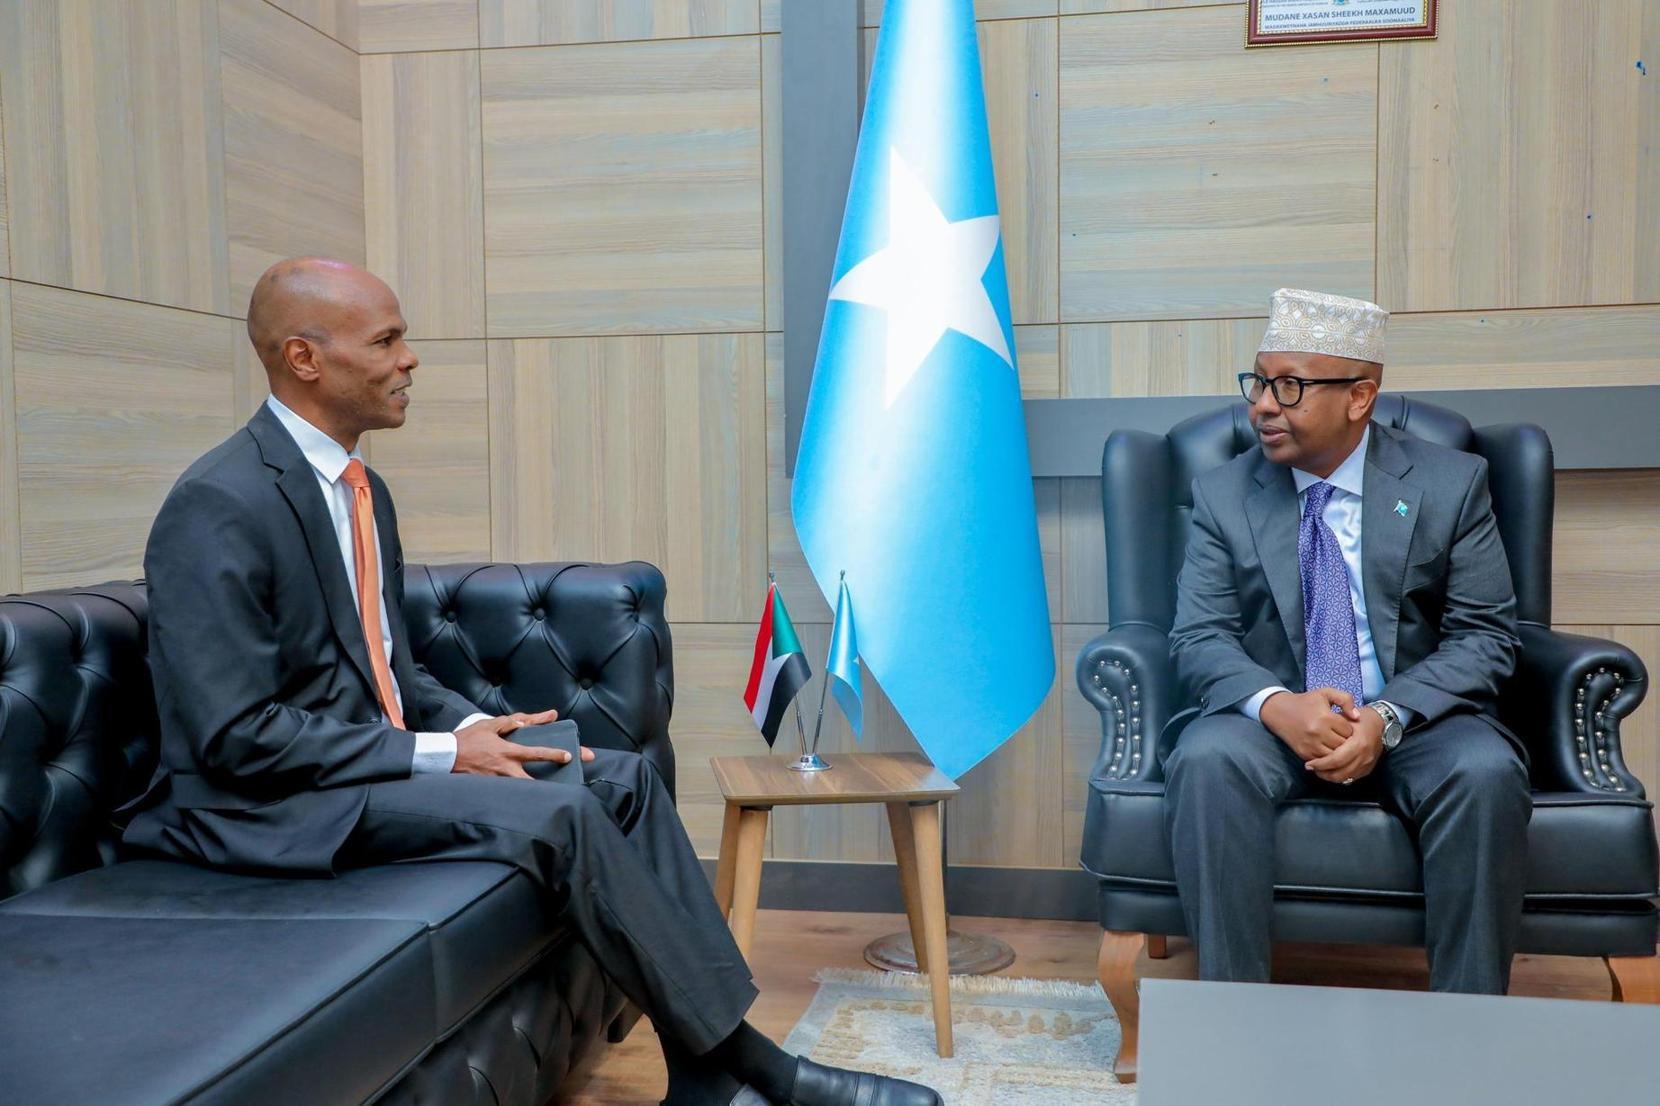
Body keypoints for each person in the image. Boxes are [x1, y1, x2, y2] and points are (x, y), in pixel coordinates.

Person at [123, 257, 941, 1106]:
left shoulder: (363, 492)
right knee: (561, 811)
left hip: (361, 768)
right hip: (269, 805)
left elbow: (391, 672)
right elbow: (234, 735)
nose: (409, 359)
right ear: (305, 358)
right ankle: (766, 1072)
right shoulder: (219, 503)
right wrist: (446, 754)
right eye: (387, 340)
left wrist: (478, 728)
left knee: (619, 778)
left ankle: (703, 1073)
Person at [1164, 287, 1530, 994]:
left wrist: (1385, 718)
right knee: (1206, 759)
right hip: (1272, 720)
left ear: (1360, 397)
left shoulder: (1451, 484)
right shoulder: (1223, 492)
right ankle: (1231, 1022)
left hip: (1416, 719)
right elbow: (1199, 635)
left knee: (1484, 772)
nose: (1263, 405)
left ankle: (1471, 1028)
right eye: (1258, 382)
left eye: (1290, 387)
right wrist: (1278, 706)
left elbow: (1484, 635)